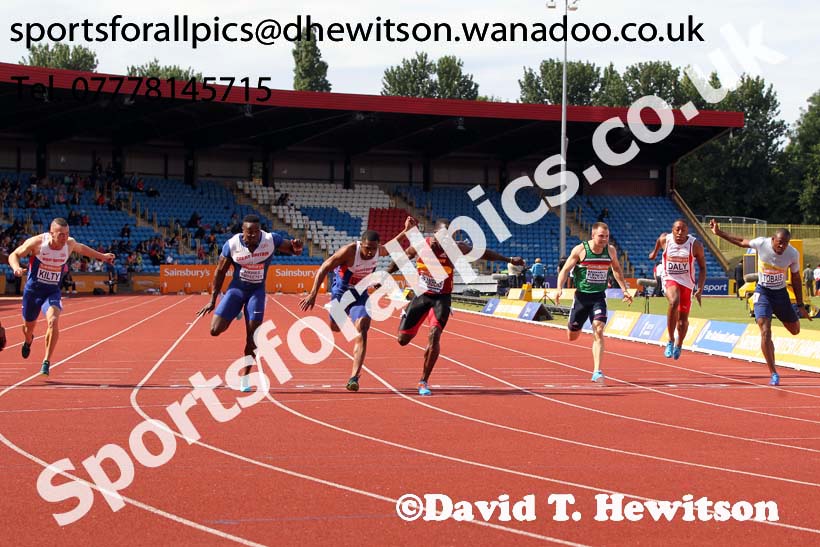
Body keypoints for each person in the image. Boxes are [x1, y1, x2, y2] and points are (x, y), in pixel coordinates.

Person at [388, 219, 524, 396]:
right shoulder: (421, 245)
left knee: (434, 335)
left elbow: (483, 253)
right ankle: (406, 314)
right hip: (422, 296)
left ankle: (423, 380)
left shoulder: (456, 247)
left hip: (442, 298)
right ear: (434, 234)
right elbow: (400, 259)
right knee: (402, 340)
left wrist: (509, 259)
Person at [298, 217, 418, 392]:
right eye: (367, 248)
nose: (370, 253)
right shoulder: (349, 251)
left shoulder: (377, 251)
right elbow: (324, 266)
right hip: (341, 293)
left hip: (360, 294)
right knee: (335, 328)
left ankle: (354, 378)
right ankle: (337, 313)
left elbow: (392, 246)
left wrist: (406, 230)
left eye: (374, 249)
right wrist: (313, 293)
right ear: (361, 244)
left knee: (362, 328)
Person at [197, 215, 303, 392]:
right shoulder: (231, 245)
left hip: (257, 293)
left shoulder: (271, 240)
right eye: (249, 233)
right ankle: (236, 310)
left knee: (253, 337)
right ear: (242, 232)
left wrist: (298, 247)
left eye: (256, 232)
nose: (253, 236)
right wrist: (212, 299)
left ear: (260, 230)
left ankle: (245, 378)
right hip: (236, 290)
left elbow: (294, 250)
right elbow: (220, 272)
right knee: (215, 330)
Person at [8, 218, 115, 375]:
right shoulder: (37, 242)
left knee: (53, 321)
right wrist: (16, 268)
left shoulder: (69, 244)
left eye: (67, 234)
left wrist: (103, 256)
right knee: (28, 328)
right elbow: (14, 254)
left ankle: (46, 361)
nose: (64, 238)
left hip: (52, 291)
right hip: (33, 291)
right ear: (51, 233)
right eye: (61, 235)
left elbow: (83, 249)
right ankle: (28, 340)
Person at [710, 219, 811, 386]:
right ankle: (774, 373)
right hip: (762, 292)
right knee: (765, 330)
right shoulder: (762, 243)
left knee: (795, 330)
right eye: (779, 243)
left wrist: (800, 305)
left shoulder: (792, 254)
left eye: (785, 244)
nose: (782, 247)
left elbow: (796, 277)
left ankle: (787, 321)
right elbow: (741, 241)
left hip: (780, 295)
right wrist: (719, 233)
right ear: (773, 239)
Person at [556, 222, 633, 385]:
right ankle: (574, 324)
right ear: (593, 235)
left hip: (598, 297)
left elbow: (617, 270)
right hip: (581, 298)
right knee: (572, 336)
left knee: (598, 329)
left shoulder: (610, 251)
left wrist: (624, 289)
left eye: (606, 236)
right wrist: (558, 288)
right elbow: (564, 271)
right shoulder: (580, 250)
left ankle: (597, 371)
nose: (604, 239)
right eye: (601, 236)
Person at [648, 219, 706, 360]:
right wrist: (654, 253)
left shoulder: (695, 245)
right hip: (670, 278)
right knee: (674, 302)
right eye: (677, 229)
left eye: (683, 230)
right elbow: (658, 241)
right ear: (672, 230)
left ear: (688, 231)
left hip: (687, 283)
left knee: (682, 321)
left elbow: (703, 268)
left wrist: (700, 288)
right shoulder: (665, 240)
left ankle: (679, 343)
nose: (680, 233)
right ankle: (670, 340)